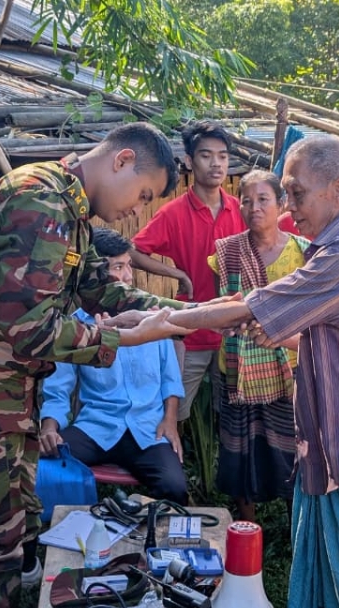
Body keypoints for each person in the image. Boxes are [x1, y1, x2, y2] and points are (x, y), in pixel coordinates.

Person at [0, 122, 189, 608]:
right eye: (144, 193)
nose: (137, 209)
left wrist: (195, 313)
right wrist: (121, 340)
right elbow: (31, 331)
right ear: (122, 160)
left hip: (3, 401)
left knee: (12, 537)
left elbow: (107, 294)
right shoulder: (40, 201)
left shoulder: (71, 210)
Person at [155, 135, 339, 608]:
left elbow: (252, 304)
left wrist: (153, 322)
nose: (289, 211)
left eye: (295, 195)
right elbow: (296, 324)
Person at [38, 228, 188, 504]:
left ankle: (155, 544)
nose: (129, 277)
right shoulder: (76, 325)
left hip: (148, 429)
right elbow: (57, 389)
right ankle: (61, 538)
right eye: (118, 267)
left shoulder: (153, 318)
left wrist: (169, 422)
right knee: (45, 465)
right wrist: (49, 428)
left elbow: (170, 378)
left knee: (175, 487)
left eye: (129, 265)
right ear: (94, 274)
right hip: (97, 426)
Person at [206, 170, 309, 522]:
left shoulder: (303, 253)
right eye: (246, 201)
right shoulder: (227, 252)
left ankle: (295, 519)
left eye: (263, 199)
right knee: (239, 447)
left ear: (281, 204)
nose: (254, 207)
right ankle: (246, 523)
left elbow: (312, 314)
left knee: (291, 448)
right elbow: (220, 307)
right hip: (236, 369)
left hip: (289, 368)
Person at [131, 120, 244, 419]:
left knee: (234, 417)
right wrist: (176, 274)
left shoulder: (242, 210)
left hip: (234, 332)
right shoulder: (173, 213)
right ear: (190, 161)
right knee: (173, 413)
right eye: (206, 155)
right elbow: (133, 251)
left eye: (222, 156)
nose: (216, 163)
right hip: (189, 329)